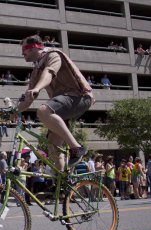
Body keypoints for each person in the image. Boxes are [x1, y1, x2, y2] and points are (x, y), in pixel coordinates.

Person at [18, 34, 94, 172]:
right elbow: (27, 97)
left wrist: (37, 88)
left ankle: (76, 148)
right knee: (53, 148)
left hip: (79, 96)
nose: (22, 53)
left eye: (24, 50)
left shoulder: (53, 55)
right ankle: (62, 182)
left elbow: (49, 72)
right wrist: (15, 111)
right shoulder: (36, 70)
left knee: (43, 111)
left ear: (34, 47)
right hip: (63, 105)